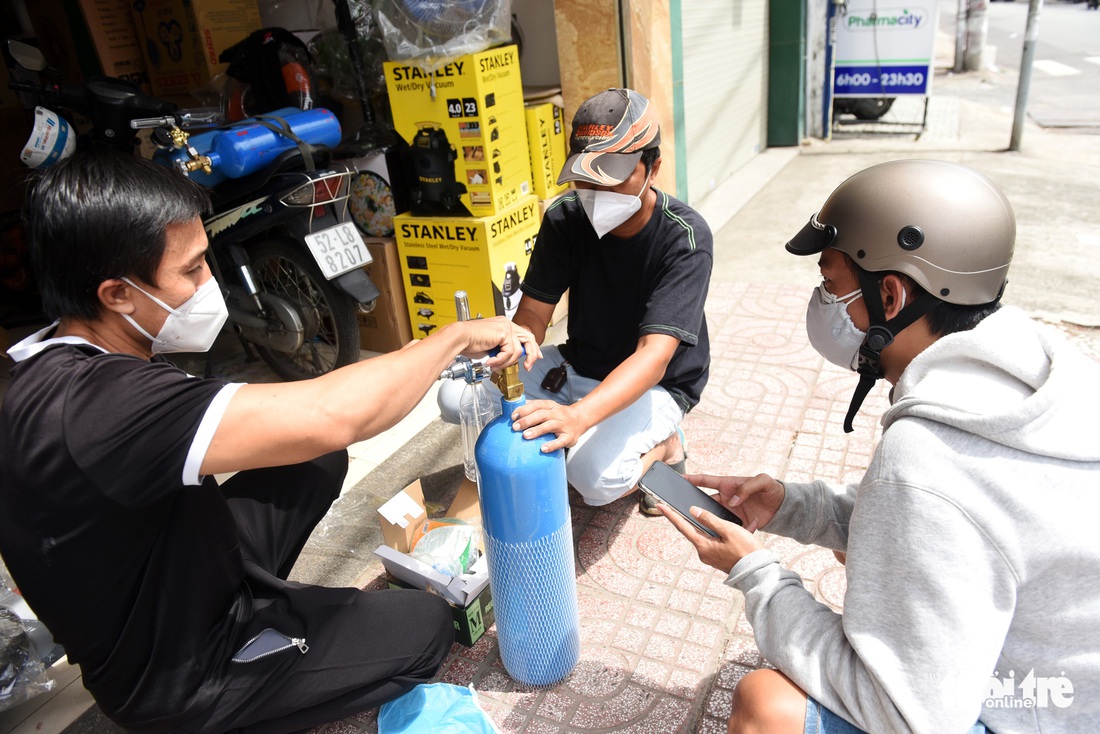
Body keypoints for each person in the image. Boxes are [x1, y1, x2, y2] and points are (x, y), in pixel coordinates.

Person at [0, 151, 539, 733]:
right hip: (176, 670)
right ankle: (237, 693)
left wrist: (437, 346)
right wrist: (456, 336)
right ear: (117, 295)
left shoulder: (50, 360)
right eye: (192, 270)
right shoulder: (104, 405)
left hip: (170, 569)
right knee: (425, 627)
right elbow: (334, 415)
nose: (210, 284)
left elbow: (318, 419)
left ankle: (279, 608)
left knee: (313, 460)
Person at [658, 159, 1100, 733]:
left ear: (890, 294)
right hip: (1066, 684)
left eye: (831, 284)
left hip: (1030, 710)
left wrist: (755, 572)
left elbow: (908, 715)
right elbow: (951, 519)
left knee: (765, 705)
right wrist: (794, 505)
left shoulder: (926, 458)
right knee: (868, 556)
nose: (825, 301)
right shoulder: (1043, 368)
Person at [504, 87, 712, 513]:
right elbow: (532, 316)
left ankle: (668, 446)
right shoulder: (565, 219)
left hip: (656, 384)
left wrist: (579, 418)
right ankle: (585, 425)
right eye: (585, 176)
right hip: (579, 364)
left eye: (612, 175)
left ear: (652, 167)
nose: (595, 189)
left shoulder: (685, 238)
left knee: (593, 481)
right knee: (463, 398)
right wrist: (503, 350)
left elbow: (654, 357)